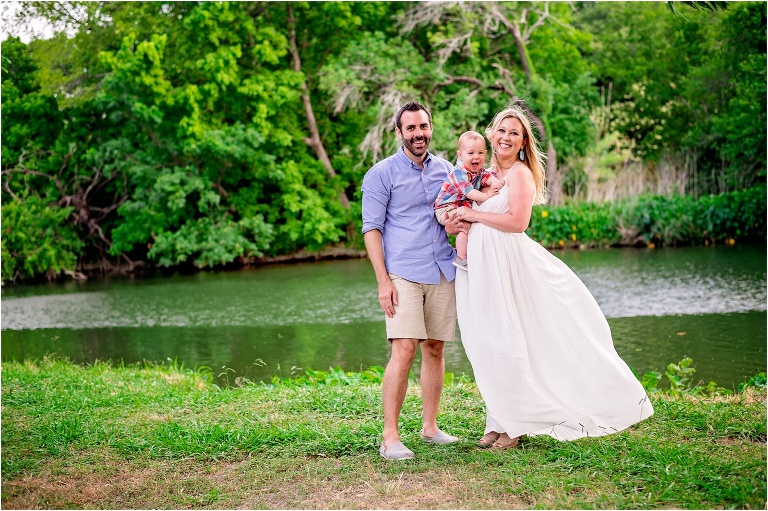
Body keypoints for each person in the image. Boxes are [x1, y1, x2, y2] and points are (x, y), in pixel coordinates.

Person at [447, 103, 653, 449]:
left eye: (515, 133)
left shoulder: (520, 175)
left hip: (508, 266)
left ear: (524, 142)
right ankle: (497, 419)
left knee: (508, 340)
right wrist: (457, 220)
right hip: (481, 267)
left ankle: (516, 425)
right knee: (484, 340)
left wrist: (475, 217)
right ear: (490, 134)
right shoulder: (480, 175)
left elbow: (517, 223)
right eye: (501, 130)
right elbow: (458, 211)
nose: (506, 137)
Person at [361, 101, 460, 460]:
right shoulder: (380, 174)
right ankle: (390, 438)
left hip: (441, 269)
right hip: (401, 271)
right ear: (399, 133)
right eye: (412, 128)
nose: (419, 134)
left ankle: (430, 428)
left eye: (424, 127)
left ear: (430, 128)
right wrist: (383, 281)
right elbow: (371, 229)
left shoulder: (448, 170)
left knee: (435, 348)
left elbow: (456, 214)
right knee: (403, 348)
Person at [434, 131, 504, 271]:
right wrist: (487, 195)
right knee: (465, 226)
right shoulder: (458, 173)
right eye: (471, 153)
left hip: (458, 205)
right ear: (460, 155)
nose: (476, 157)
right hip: (446, 208)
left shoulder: (478, 170)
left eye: (480, 153)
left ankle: (472, 253)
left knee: (472, 223)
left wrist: (495, 181)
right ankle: (461, 257)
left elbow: (486, 176)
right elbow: (469, 192)